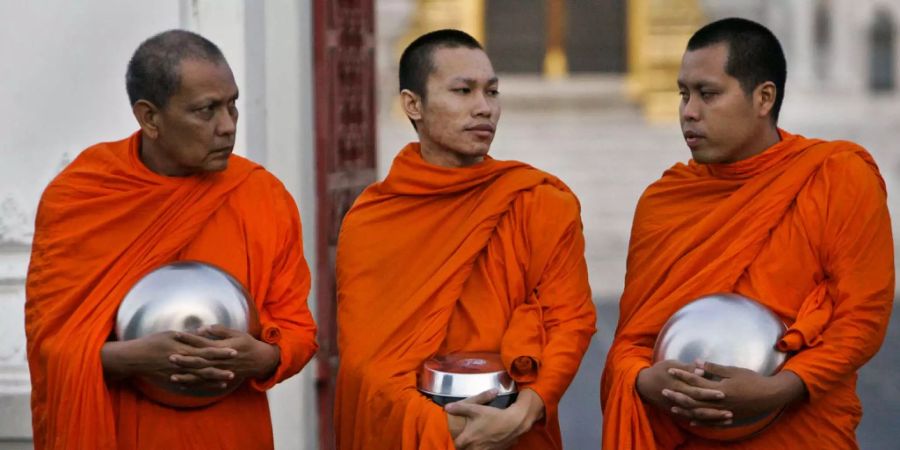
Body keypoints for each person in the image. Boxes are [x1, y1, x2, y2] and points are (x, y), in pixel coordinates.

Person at [601, 17, 894, 449]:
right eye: (683, 94)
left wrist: (780, 388)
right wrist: (645, 380)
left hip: (801, 430)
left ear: (764, 98)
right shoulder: (665, 203)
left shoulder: (836, 177)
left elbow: (861, 316)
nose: (689, 111)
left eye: (708, 94)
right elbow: (634, 341)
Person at [25, 30, 318, 450]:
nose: (228, 126)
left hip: (229, 430)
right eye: (206, 111)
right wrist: (135, 359)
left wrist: (265, 356)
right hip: (121, 429)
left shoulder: (261, 195)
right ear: (150, 118)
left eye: (233, 105)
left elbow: (297, 329)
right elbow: (51, 351)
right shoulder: (83, 197)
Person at [334, 29, 597, 449]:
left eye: (492, 92)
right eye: (463, 91)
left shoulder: (539, 201)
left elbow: (571, 321)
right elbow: (369, 366)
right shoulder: (375, 219)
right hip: (415, 431)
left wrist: (523, 412)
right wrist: (454, 429)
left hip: (521, 427)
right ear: (413, 105)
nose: (484, 108)